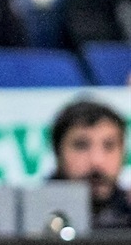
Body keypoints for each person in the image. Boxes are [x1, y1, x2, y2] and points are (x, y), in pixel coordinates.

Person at [49, 98, 131, 229]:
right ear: (57, 152)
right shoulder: (27, 218)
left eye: (109, 146)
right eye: (81, 146)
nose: (96, 161)